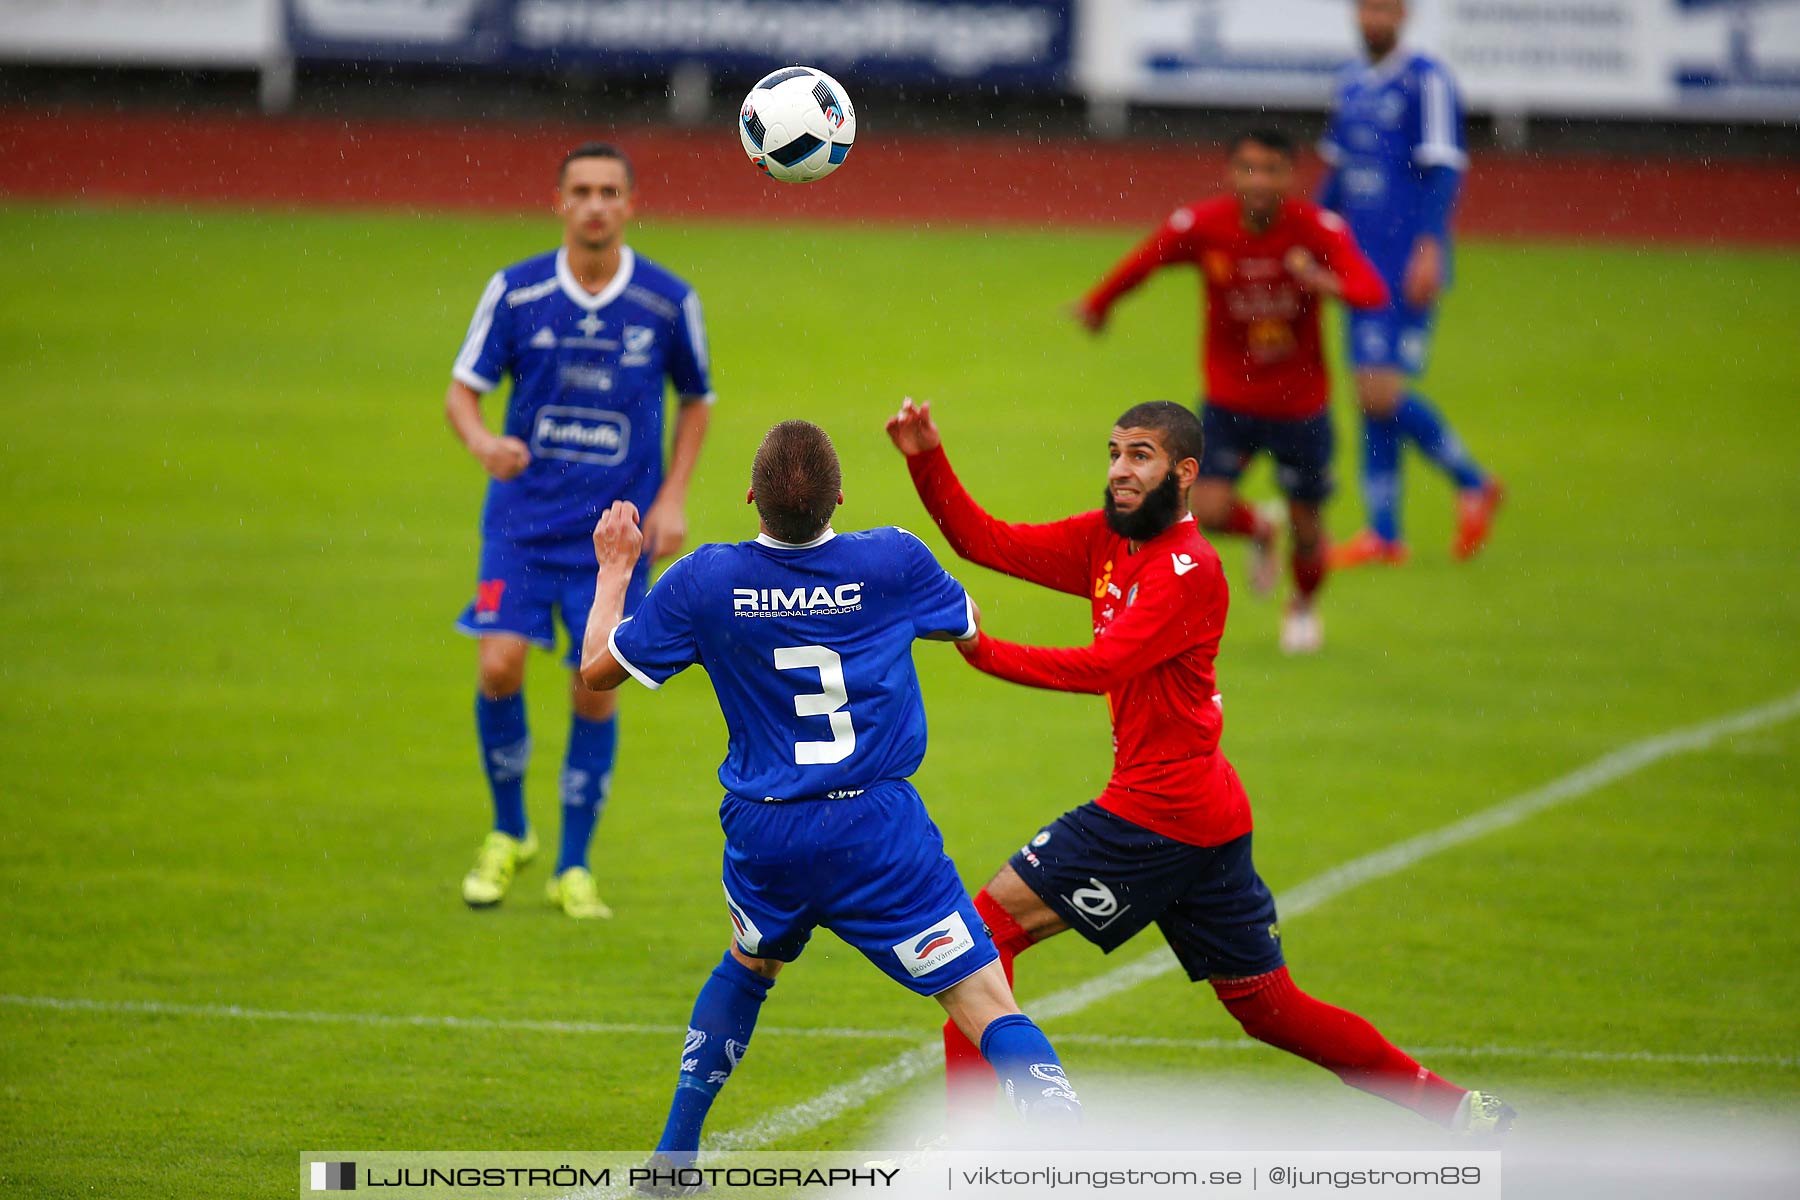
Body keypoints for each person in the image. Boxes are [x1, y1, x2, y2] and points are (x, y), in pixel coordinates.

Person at [887, 396, 1514, 1135]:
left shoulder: (1188, 568)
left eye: (1140, 456)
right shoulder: (1105, 541)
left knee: (980, 937)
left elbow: (1103, 666)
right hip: (1207, 815)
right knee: (1270, 1008)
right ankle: (1460, 1110)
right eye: (1115, 452)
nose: (1120, 469)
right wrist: (925, 456)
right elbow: (985, 541)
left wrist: (978, 649)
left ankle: (969, 1147)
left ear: (1185, 473)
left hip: (1154, 815)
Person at [579, 420, 1082, 1173]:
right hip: (876, 832)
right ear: (840, 497)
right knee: (983, 1002)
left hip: (768, 832)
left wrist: (617, 568)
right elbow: (969, 623)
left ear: (752, 497)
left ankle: (674, 1157)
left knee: (749, 968)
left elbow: (596, 670)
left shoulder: (705, 580)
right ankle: (1072, 1141)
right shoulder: (892, 559)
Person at [447, 142, 713, 918]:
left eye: (610, 191)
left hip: (615, 540)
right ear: (558, 202)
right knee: (497, 667)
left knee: (595, 688)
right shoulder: (518, 292)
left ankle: (573, 865)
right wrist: (483, 443)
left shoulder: (667, 301)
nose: (596, 204)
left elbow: (697, 400)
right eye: (582, 191)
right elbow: (464, 392)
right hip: (522, 525)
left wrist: (673, 496)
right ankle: (508, 834)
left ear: (631, 204)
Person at [1075, 130, 1388, 654]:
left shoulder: (1316, 231)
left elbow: (1371, 291)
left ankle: (1304, 605)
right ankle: (1261, 528)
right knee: (1207, 509)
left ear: (1290, 176)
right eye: (1247, 168)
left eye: (1270, 170)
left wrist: (1323, 282)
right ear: (1231, 174)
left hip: (1301, 407)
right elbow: (1146, 260)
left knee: (1309, 529)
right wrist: (1099, 302)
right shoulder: (1204, 225)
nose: (1258, 181)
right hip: (1229, 403)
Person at [1318, 0, 1504, 567]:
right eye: (1367, 8)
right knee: (1371, 398)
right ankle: (1384, 533)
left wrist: (1429, 246)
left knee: (1379, 392)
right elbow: (1337, 178)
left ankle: (1473, 481)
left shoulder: (1427, 82)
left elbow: (1445, 166)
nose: (1374, 18)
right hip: (1357, 263)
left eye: (1385, 9)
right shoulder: (1349, 84)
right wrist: (1308, 238)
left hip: (1403, 266)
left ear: (1404, 15)